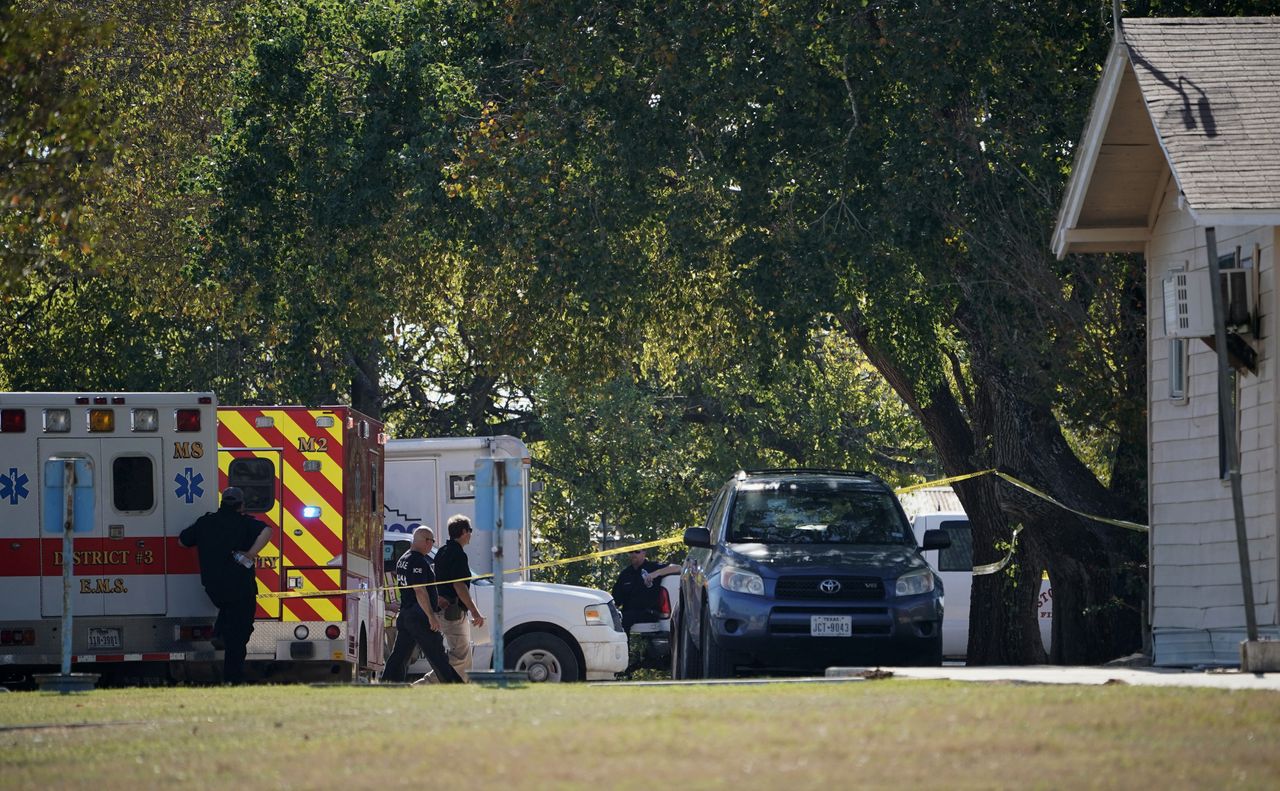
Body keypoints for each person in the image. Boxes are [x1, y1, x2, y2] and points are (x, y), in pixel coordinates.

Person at [179, 486, 272, 684]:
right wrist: (250, 554)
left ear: (222, 503)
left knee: (229, 613)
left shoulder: (205, 522)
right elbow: (266, 531)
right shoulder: (245, 523)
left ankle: (220, 633)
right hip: (241, 588)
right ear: (241, 506)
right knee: (239, 636)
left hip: (215, 589)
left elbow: (182, 541)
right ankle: (233, 678)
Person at [382, 526, 463, 684]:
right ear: (426, 541)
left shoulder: (403, 559)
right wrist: (431, 616)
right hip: (419, 616)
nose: (432, 545)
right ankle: (456, 686)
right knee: (437, 655)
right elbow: (419, 590)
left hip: (406, 615)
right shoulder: (417, 561)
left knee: (399, 655)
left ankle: (388, 684)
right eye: (432, 541)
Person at [432, 514, 485, 682]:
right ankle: (424, 684)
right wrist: (475, 612)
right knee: (460, 656)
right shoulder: (458, 555)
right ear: (463, 531)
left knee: (464, 656)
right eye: (469, 531)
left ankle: (460, 689)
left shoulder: (441, 551)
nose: (470, 535)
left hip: (442, 609)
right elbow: (459, 586)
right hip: (453, 612)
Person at [611, 547, 680, 632]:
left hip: (649, 612)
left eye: (637, 551)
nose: (633, 554)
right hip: (629, 613)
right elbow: (616, 600)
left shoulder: (653, 567)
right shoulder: (625, 574)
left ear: (644, 553)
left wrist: (656, 574)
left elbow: (678, 568)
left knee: (624, 619)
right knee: (613, 618)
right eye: (631, 552)